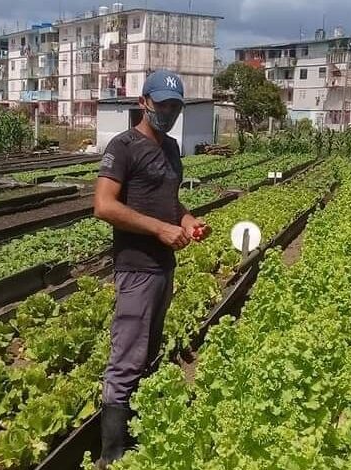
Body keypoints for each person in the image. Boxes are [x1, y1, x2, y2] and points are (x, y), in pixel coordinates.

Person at [93, 69, 212, 466]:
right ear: (144, 102)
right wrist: (159, 228)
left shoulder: (172, 149)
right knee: (126, 358)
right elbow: (104, 206)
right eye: (162, 104)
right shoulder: (123, 146)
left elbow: (169, 202)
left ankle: (136, 435)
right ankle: (111, 455)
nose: (169, 111)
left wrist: (186, 220)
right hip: (137, 266)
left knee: (149, 351)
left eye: (176, 105)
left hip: (163, 266)